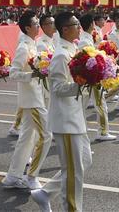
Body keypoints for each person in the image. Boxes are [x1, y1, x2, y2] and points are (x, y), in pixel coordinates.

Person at [30, 12, 93, 212]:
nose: (79, 27)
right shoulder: (60, 55)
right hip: (66, 120)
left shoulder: (73, 49)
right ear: (65, 29)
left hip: (76, 117)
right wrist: (81, 84)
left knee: (84, 161)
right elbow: (57, 88)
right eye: (75, 24)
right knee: (73, 174)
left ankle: (45, 193)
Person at [2, 10, 52, 190]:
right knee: (47, 135)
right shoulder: (24, 47)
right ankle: (32, 176)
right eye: (36, 24)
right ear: (28, 28)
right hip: (32, 100)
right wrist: (33, 74)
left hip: (36, 95)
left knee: (26, 139)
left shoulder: (33, 45)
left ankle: (12, 176)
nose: (39, 26)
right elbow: (13, 72)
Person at [77, 13, 116, 141]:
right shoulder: (84, 40)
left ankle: (81, 132)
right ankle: (103, 132)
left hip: (91, 78)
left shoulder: (87, 38)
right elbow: (87, 61)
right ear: (91, 25)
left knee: (82, 105)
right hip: (91, 78)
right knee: (100, 104)